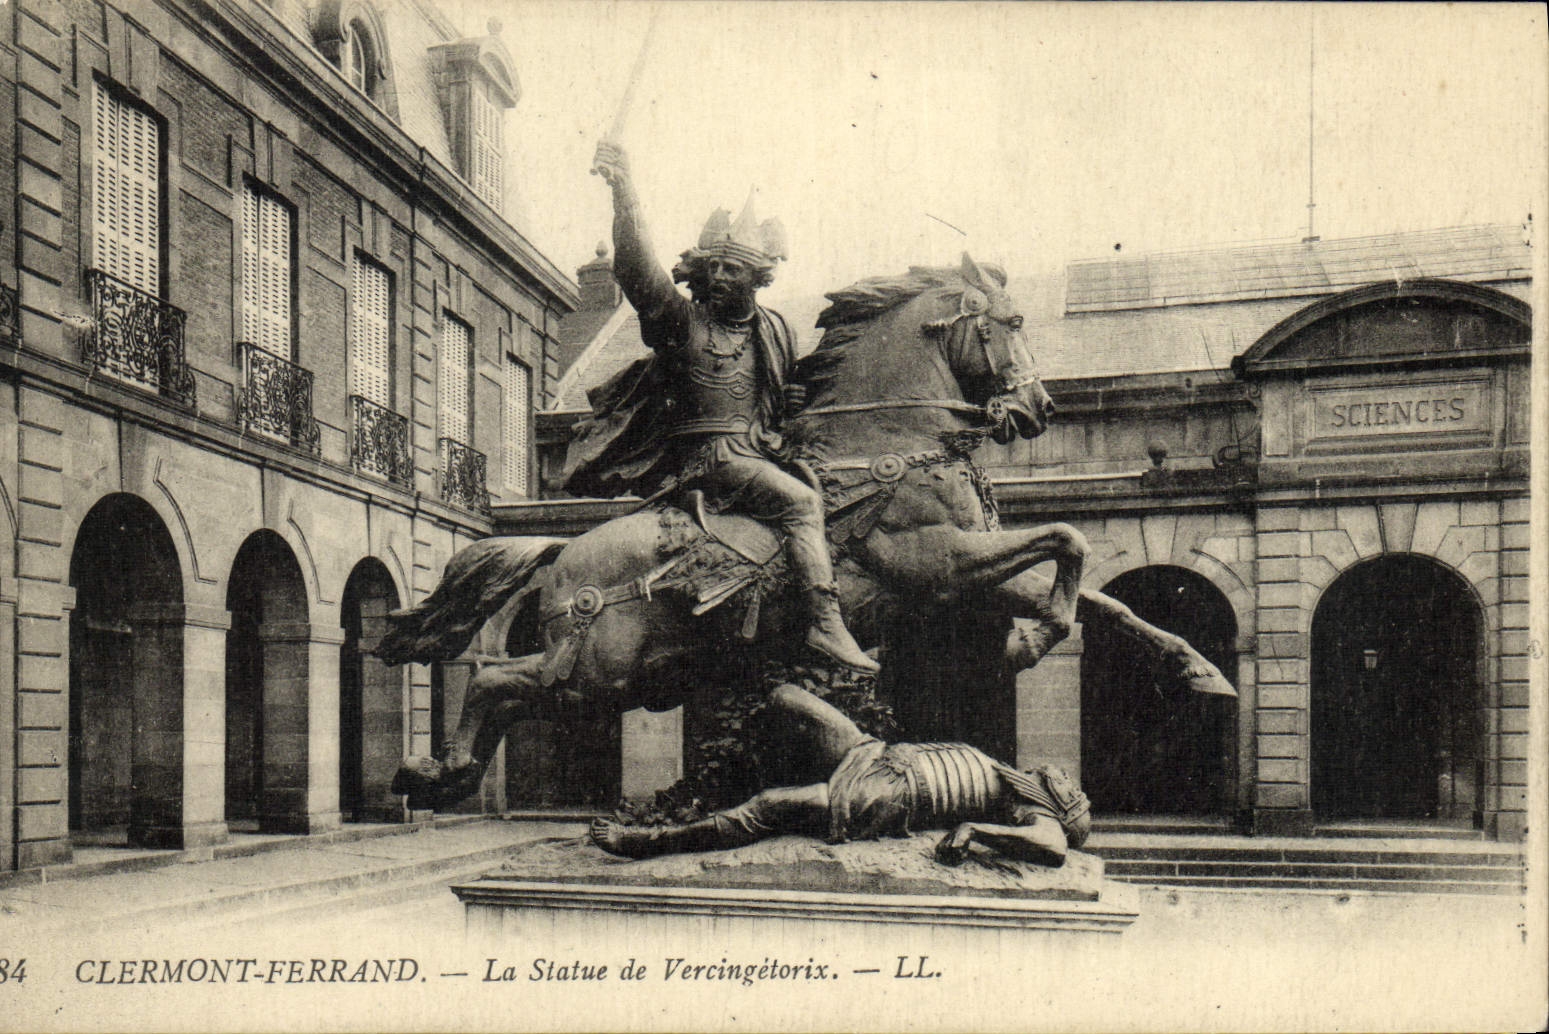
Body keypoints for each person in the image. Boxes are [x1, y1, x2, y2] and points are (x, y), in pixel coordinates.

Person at [568, 140, 876, 674]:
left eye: (734, 270)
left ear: (757, 277)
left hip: (761, 453)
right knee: (802, 506)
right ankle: (825, 625)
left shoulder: (776, 329)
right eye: (714, 267)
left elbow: (780, 399)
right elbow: (639, 270)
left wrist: (790, 406)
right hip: (711, 460)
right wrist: (625, 192)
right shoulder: (682, 322)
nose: (719, 277)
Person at [589, 684, 1092, 868]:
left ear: (1060, 803)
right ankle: (766, 802)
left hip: (891, 795)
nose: (1067, 776)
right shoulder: (1009, 772)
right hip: (876, 755)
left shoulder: (1029, 808)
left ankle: (649, 842)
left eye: (1072, 789)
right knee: (787, 698)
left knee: (769, 805)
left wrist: (976, 831)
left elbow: (1051, 848)